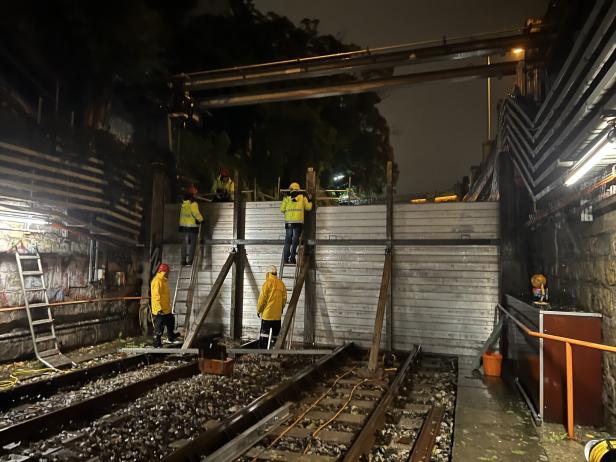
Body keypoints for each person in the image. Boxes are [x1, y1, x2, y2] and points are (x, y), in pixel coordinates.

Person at [280, 182, 312, 264]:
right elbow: (308, 208)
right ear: (298, 189)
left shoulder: (286, 198)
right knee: (295, 241)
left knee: (288, 241)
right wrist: (310, 199)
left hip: (288, 223)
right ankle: (292, 259)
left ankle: (285, 258)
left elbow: (282, 209)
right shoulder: (302, 197)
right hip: (298, 223)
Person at [257, 265, 287, 349]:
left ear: (268, 274)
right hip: (277, 317)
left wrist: (259, 310)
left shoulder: (267, 284)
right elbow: (284, 299)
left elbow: (262, 300)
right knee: (276, 338)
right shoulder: (281, 284)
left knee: (264, 338)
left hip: (267, 317)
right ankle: (274, 356)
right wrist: (280, 309)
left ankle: (263, 356)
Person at [151, 263, 179, 347]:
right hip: (159, 309)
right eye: (168, 272)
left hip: (165, 308)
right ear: (164, 272)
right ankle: (156, 342)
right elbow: (156, 296)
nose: (168, 274)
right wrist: (159, 309)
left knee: (171, 320)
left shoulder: (164, 280)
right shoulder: (157, 281)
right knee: (159, 327)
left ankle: (171, 336)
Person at [179, 185, 203, 265]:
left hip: (183, 227)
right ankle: (190, 261)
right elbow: (196, 213)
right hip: (192, 227)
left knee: (184, 243)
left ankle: (183, 260)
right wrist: (201, 220)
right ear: (193, 195)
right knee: (193, 244)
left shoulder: (183, 203)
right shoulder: (193, 204)